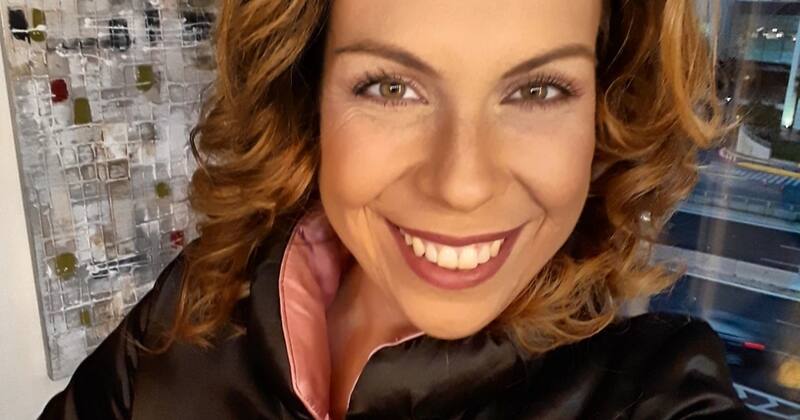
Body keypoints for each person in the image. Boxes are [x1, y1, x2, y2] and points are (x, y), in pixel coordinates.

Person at [40, 0, 757, 418]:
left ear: (604, 111)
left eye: (537, 91)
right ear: (310, 93)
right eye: (390, 87)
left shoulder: (649, 392)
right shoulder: (201, 297)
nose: (462, 185)